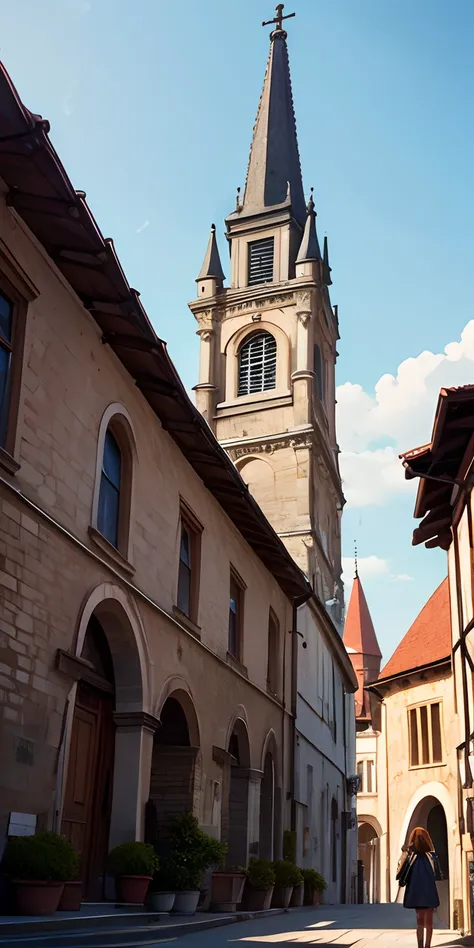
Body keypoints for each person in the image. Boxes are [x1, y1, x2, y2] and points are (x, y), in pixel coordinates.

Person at [400, 827, 440, 948]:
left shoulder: (411, 857)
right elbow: (438, 874)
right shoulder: (432, 856)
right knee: (429, 922)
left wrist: (405, 851)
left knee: (420, 922)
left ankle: (421, 945)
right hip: (429, 891)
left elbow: (403, 871)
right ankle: (427, 945)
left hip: (416, 892)